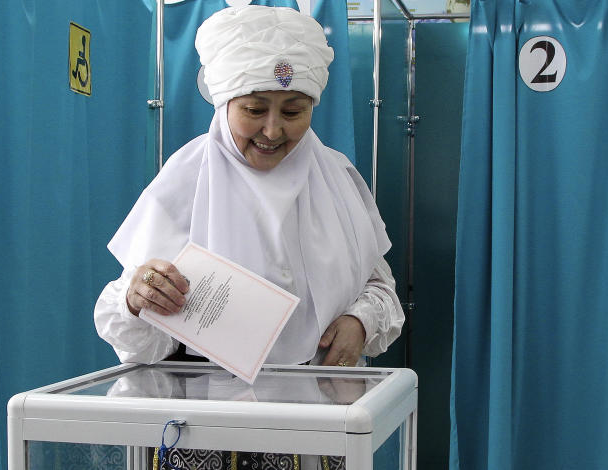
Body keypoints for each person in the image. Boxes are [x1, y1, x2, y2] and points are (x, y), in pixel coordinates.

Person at [95, 6, 404, 467]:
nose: (273, 130)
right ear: (224, 104)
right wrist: (139, 297)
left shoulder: (337, 179)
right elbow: (133, 333)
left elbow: (379, 287)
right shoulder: (186, 180)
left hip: (314, 422)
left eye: (294, 111)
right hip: (200, 426)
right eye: (254, 110)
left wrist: (360, 322)